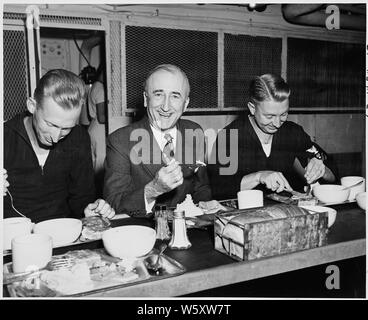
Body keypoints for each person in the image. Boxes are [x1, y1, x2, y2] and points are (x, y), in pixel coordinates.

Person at [3, 69, 115, 223]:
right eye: (51, 124)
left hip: (62, 234)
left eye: (66, 128)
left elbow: (81, 198)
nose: (55, 138)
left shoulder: (79, 138)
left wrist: (89, 209)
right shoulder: (5, 137)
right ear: (32, 106)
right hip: (13, 237)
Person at [104, 64, 212, 217]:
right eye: (158, 94)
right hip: (143, 233)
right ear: (145, 99)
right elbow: (113, 206)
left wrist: (205, 206)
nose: (166, 107)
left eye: (175, 96)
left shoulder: (195, 132)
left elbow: (201, 188)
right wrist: (153, 189)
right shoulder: (120, 141)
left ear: (185, 104)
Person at [208, 73, 337, 199]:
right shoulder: (229, 137)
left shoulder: (292, 133)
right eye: (269, 116)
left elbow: (334, 171)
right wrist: (259, 176)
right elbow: (218, 189)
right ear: (252, 108)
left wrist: (322, 169)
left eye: (283, 115)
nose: (276, 124)